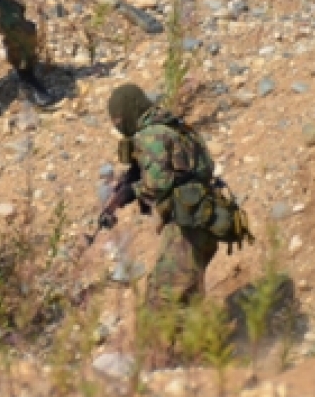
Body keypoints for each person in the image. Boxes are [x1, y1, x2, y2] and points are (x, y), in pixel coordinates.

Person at [105, 83, 249, 309]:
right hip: (205, 219)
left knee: (166, 300)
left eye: (119, 120)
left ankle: (193, 342)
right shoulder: (175, 126)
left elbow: (158, 183)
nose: (119, 126)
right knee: (181, 295)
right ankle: (196, 337)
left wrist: (131, 192)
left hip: (187, 229)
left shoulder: (150, 135)